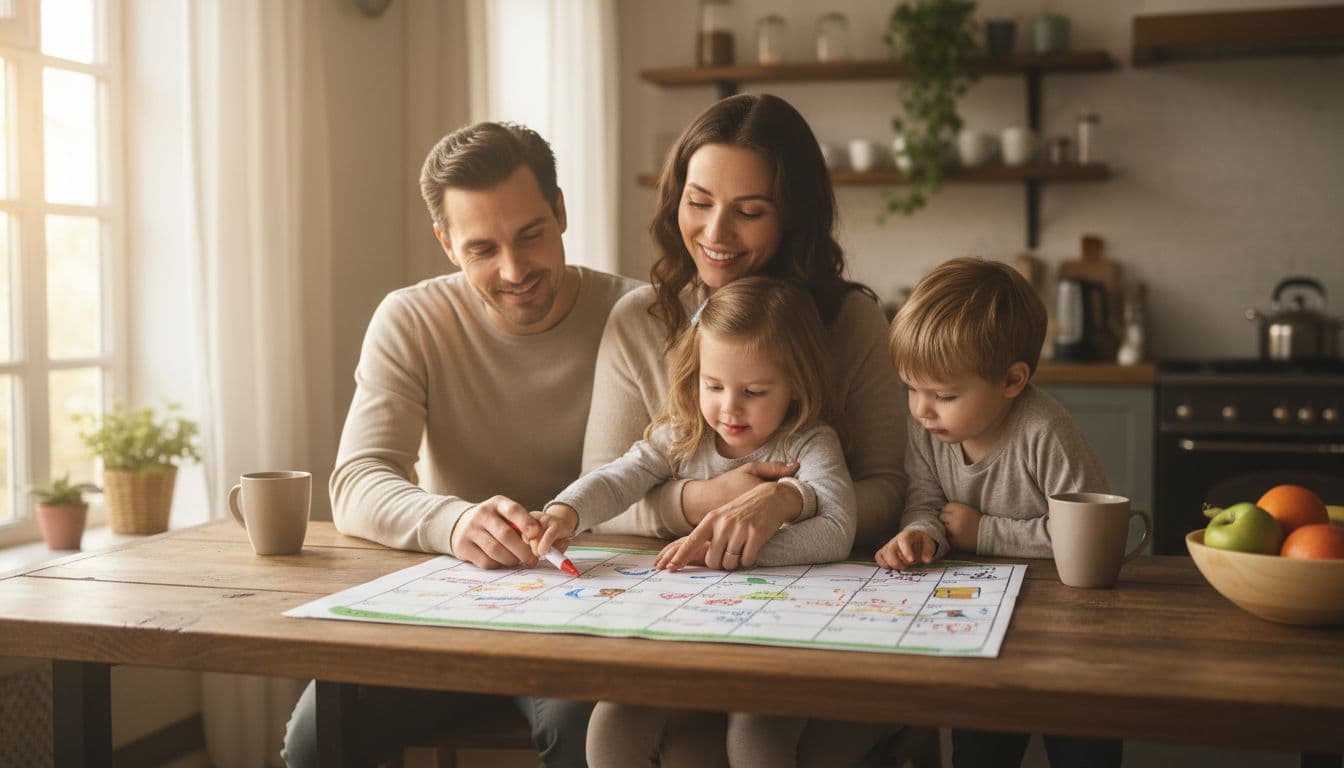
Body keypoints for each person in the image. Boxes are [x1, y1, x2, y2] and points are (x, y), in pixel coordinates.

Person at [280, 121, 641, 768]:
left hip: (596, 604)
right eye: (482, 249)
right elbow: (358, 480)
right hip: (454, 603)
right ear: (447, 244)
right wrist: (454, 521)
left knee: (590, 735)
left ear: (560, 211)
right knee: (315, 739)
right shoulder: (411, 319)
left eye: (531, 235)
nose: (514, 269)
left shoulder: (637, 313)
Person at [566, 92, 907, 767]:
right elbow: (610, 494)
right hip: (682, 609)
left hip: (822, 612)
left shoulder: (850, 323)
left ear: (795, 219)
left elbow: (888, 491)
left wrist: (790, 498)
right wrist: (711, 502)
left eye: (750, 211)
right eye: (698, 202)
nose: (716, 232)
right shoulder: (641, 320)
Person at [529, 276, 857, 768]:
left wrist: (727, 552)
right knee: (610, 733)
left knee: (755, 744)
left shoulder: (809, 443)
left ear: (796, 384)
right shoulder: (682, 434)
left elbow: (837, 531)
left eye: (754, 390)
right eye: (714, 385)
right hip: (680, 636)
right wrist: (565, 510)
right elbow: (618, 478)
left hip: (775, 639)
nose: (729, 407)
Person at [877, 256, 1121, 768]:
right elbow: (924, 501)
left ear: (1012, 380)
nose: (921, 409)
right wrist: (921, 533)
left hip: (1070, 619)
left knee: (1081, 742)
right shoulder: (929, 431)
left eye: (942, 394)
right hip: (979, 614)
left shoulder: (1045, 431)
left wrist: (982, 531)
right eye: (911, 389)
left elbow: (1088, 538)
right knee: (981, 744)